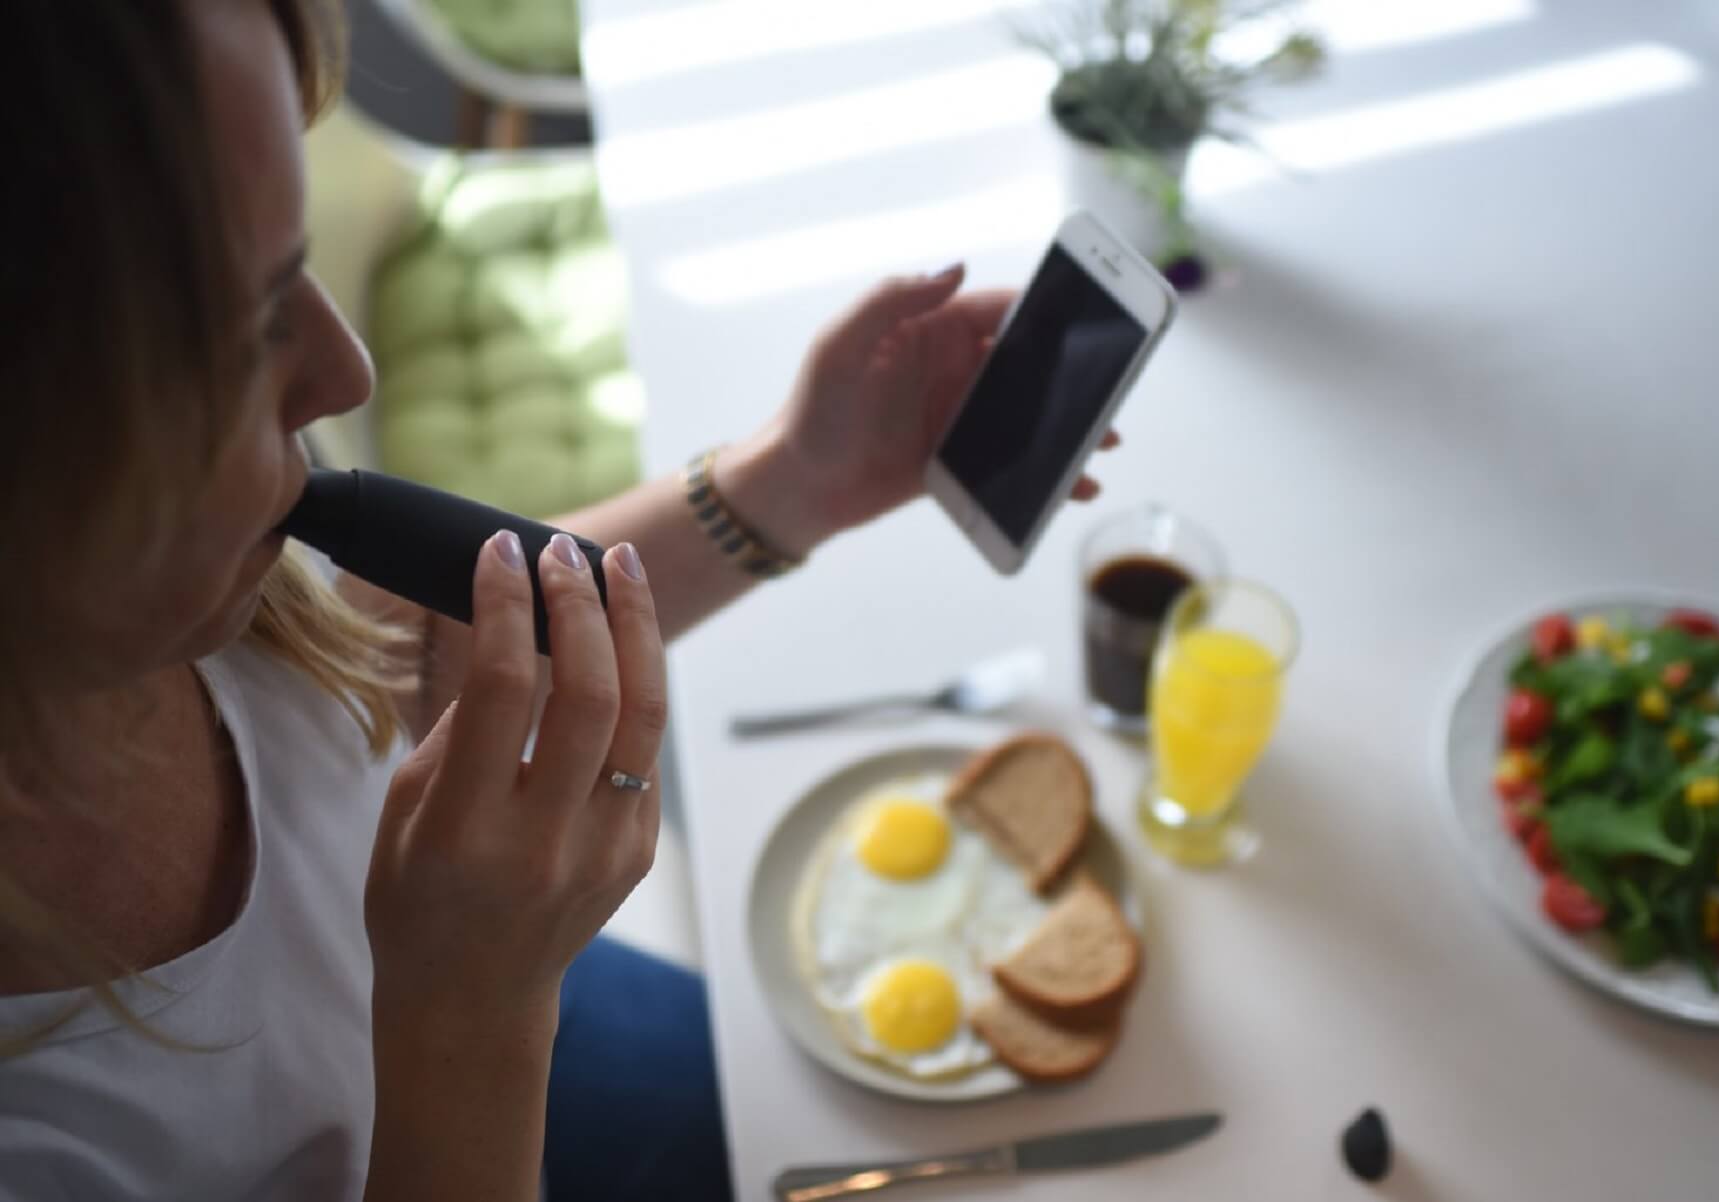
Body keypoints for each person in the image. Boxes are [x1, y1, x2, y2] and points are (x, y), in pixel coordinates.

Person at [0, 2, 1113, 1200]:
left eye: (299, 266)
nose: (345, 374)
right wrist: (473, 1018)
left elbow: (371, 681)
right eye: (236, 336)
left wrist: (792, 479)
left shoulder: (194, 590)